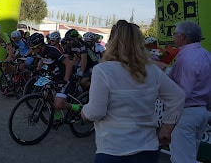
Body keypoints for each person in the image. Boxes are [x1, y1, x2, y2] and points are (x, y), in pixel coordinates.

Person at [79, 20, 185, 163]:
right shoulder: (152, 70)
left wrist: (84, 112)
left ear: (112, 41)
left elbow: (96, 112)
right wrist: (167, 128)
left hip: (114, 150)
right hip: (148, 149)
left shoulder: (103, 70)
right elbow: (177, 96)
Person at [168, 21, 211, 163]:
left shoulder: (186, 58)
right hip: (201, 111)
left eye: (175, 34)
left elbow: (181, 93)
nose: (173, 37)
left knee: (182, 159)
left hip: (186, 113)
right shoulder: (205, 54)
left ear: (182, 37)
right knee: (190, 156)